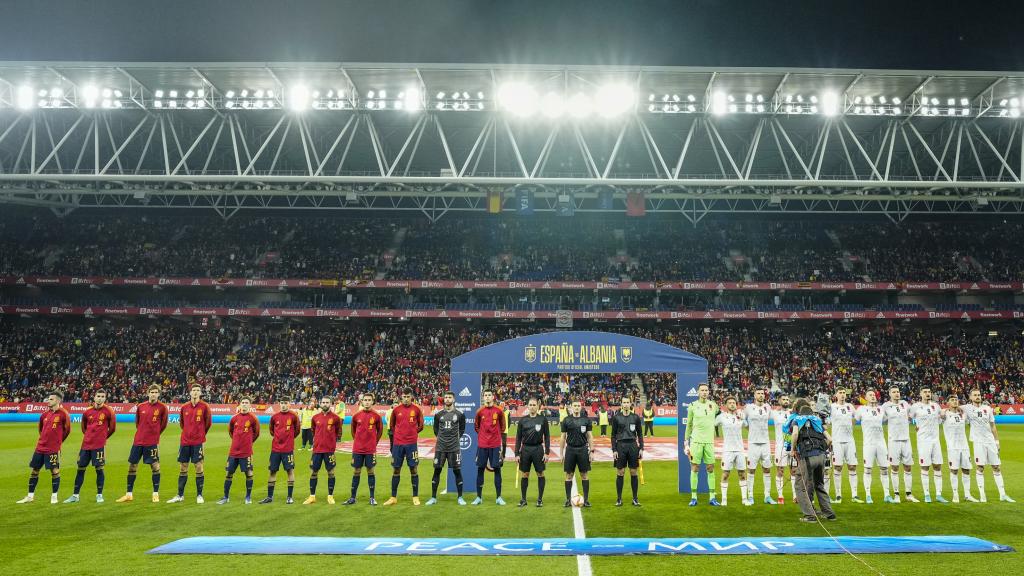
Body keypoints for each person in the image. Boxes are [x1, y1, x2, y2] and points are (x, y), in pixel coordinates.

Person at [16, 391, 71, 504]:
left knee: (54, 470)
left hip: (53, 449)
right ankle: (30, 496)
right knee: (34, 470)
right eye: (48, 399)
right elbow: (41, 429)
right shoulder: (44, 414)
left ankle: (54, 497)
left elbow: (67, 430)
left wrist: (57, 442)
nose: (48, 401)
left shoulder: (63, 414)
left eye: (51, 399)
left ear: (57, 400)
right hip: (40, 447)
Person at [117, 384, 168, 503]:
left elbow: (163, 425)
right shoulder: (141, 406)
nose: (153, 394)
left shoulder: (162, 408)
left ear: (159, 394)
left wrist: (154, 434)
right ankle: (129, 494)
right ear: (148, 393)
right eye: (152, 392)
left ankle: (155, 493)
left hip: (152, 442)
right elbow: (137, 423)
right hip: (138, 441)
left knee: (155, 466)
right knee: (132, 466)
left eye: (156, 392)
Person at [962, 389, 1014, 502]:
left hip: (990, 441)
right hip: (978, 442)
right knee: (980, 467)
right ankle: (982, 495)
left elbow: (993, 426)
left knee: (996, 467)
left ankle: (1003, 494)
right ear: (970, 397)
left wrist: (997, 442)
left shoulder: (987, 408)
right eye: (975, 395)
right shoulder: (967, 408)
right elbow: (953, 407)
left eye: (979, 395)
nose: (977, 397)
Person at [65, 389, 115, 504]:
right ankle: (75, 495)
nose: (100, 398)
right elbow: (84, 428)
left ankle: (99, 495)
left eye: (103, 396)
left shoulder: (109, 411)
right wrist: (89, 437)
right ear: (94, 397)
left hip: (99, 446)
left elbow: (112, 429)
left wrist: (102, 438)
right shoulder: (87, 412)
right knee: (80, 469)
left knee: (99, 469)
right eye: (98, 396)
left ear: (105, 398)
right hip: (85, 445)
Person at [790, 401, 836, 522]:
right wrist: (821, 449)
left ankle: (810, 516)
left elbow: (795, 434)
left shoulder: (797, 420)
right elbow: (830, 439)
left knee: (801, 486)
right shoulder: (817, 421)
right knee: (819, 484)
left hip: (807, 456)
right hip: (821, 456)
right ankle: (829, 513)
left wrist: (793, 449)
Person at [168, 384, 211, 504]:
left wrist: (200, 434)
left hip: (198, 442)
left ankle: (199, 495)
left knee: (198, 466)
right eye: (194, 390)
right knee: (183, 467)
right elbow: (182, 424)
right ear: (190, 393)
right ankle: (180, 495)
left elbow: (208, 424)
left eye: (198, 390)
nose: (196, 392)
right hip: (185, 442)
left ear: (201, 393)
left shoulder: (205, 407)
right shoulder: (184, 407)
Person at [384, 387, 425, 506]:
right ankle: (393, 497)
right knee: (396, 469)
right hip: (398, 444)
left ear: (411, 396)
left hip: (411, 444)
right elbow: (391, 426)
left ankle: (415, 496)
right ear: (401, 397)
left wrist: (412, 433)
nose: (406, 399)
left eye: (408, 397)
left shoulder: (417, 409)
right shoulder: (396, 410)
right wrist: (399, 435)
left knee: (413, 469)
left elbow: (421, 425)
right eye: (404, 397)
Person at [218, 396, 260, 504]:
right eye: (243, 402)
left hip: (246, 452)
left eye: (246, 402)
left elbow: (256, 433)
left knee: (249, 473)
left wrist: (248, 442)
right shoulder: (234, 418)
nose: (244, 404)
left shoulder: (253, 419)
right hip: (233, 452)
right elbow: (231, 432)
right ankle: (226, 497)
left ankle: (248, 497)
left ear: (250, 405)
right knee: (229, 473)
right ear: (240, 404)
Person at [426, 391, 466, 506]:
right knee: (437, 471)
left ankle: (460, 497)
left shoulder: (460, 414)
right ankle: (433, 497)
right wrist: (442, 439)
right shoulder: (438, 414)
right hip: (440, 448)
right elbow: (436, 430)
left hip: (454, 447)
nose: (447, 399)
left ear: (453, 399)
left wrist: (454, 438)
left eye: (450, 397)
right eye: (446, 397)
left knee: (457, 471)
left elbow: (462, 429)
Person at [909, 387, 947, 503]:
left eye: (929, 392)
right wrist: (916, 425)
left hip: (935, 440)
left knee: (937, 466)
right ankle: (927, 494)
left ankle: (939, 494)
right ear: (920, 394)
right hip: (923, 441)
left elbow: (941, 419)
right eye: (925, 392)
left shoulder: (935, 406)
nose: (927, 394)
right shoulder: (915, 406)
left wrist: (943, 415)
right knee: (925, 467)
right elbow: (909, 419)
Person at [345, 392, 384, 505]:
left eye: (369, 400)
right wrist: (358, 441)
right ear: (362, 401)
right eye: (365, 400)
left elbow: (380, 431)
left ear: (372, 401)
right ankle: (352, 497)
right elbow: (353, 431)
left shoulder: (376, 416)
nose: (367, 402)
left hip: (370, 449)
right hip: (358, 449)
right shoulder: (356, 416)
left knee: (370, 470)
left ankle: (372, 497)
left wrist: (373, 443)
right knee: (356, 471)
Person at [259, 398, 300, 504]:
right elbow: (272, 431)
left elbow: (297, 430)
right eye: (282, 403)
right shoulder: (274, 417)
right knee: (272, 471)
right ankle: (269, 497)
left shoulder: (294, 416)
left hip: (288, 449)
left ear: (289, 404)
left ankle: (289, 497)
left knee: (290, 471)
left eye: (285, 403)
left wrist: (289, 439)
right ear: (279, 404)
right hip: (275, 449)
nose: (283, 405)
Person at [684, 383, 719, 506]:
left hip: (709, 442)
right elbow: (688, 424)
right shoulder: (692, 406)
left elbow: (720, 417)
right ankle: (693, 497)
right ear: (698, 392)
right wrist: (685, 442)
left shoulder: (714, 405)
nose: (704, 392)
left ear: (709, 392)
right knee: (695, 468)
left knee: (710, 469)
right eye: (702, 390)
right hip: (696, 442)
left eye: (706, 390)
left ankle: (712, 497)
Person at [855, 391, 893, 504]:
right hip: (868, 444)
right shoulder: (861, 410)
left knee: (885, 469)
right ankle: (868, 495)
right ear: (865, 398)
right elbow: (854, 420)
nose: (873, 396)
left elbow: (886, 419)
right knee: (867, 469)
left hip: (881, 443)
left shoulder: (881, 409)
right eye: (870, 395)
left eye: (874, 395)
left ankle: (887, 495)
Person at [303, 397, 342, 505]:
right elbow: (313, 430)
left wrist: (331, 442)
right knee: (313, 472)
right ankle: (312, 496)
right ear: (320, 403)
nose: (325, 404)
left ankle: (330, 496)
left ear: (331, 404)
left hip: (329, 450)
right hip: (317, 450)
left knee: (331, 472)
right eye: (323, 402)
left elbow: (338, 433)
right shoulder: (315, 418)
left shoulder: (336, 418)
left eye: (327, 402)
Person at [882, 386, 918, 502]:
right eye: (894, 392)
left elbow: (914, 414)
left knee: (908, 467)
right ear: (890, 394)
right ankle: (896, 494)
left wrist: (916, 423)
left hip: (906, 440)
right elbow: (880, 419)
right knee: (895, 467)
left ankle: (909, 494)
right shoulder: (885, 406)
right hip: (893, 441)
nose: (897, 393)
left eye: (897, 392)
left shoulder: (905, 404)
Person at [473, 389, 507, 505]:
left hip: (495, 445)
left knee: (497, 469)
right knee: (480, 469)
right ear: (483, 397)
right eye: (485, 395)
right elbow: (476, 427)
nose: (487, 397)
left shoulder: (499, 411)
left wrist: (494, 437)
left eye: (489, 395)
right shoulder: (479, 411)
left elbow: (502, 427)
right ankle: (478, 497)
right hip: (482, 445)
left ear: (493, 397)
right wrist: (484, 436)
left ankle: (498, 497)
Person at [515, 397, 551, 507]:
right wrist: (517, 453)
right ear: (527, 406)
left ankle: (540, 499)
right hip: (525, 450)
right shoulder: (522, 420)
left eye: (534, 405)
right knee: (525, 474)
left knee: (540, 473)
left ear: (538, 406)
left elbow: (547, 436)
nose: (532, 407)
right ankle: (523, 499)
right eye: (530, 405)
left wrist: (547, 452)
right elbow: (518, 438)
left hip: (538, 449)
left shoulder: (542, 419)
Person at [743, 388, 775, 505]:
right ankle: (750, 496)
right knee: (751, 470)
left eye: (762, 393)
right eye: (758, 393)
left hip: (765, 443)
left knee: (767, 469)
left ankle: (767, 496)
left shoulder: (768, 407)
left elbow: (774, 419)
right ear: (754, 395)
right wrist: (748, 428)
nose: (761, 395)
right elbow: (742, 419)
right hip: (753, 443)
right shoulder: (748, 407)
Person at [611, 395, 644, 507]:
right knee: (620, 472)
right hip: (620, 446)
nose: (625, 404)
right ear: (621, 404)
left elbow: (640, 434)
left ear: (630, 404)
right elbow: (613, 435)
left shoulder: (635, 418)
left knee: (633, 472)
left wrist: (641, 448)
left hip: (633, 446)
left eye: (627, 402)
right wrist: (614, 449)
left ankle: (635, 498)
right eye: (624, 402)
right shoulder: (616, 418)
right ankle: (619, 499)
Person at [560, 398, 594, 507]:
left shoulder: (586, 420)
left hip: (583, 449)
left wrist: (592, 451)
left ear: (581, 407)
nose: (576, 407)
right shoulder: (566, 420)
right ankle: (568, 500)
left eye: (578, 405)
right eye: (574, 406)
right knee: (569, 475)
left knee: (584, 474)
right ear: (571, 407)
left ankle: (587, 500)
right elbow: (563, 437)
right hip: (570, 449)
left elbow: (589, 436)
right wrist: (561, 453)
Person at [942, 395, 977, 503]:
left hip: (964, 446)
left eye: (956, 399)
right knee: (954, 470)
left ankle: (967, 494)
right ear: (948, 402)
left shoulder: (963, 414)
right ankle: (955, 494)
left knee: (966, 470)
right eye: (952, 400)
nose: (955, 401)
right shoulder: (944, 414)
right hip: (952, 447)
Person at [717, 396, 749, 506]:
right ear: (726, 405)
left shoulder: (740, 416)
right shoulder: (721, 417)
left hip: (740, 450)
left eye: (734, 402)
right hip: (727, 450)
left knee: (742, 474)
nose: (732, 404)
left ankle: (744, 499)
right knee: (725, 474)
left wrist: (743, 418)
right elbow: (713, 424)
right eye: (729, 403)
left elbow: (748, 428)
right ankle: (724, 499)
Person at [829, 388, 860, 503]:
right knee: (838, 467)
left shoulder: (850, 407)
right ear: (836, 395)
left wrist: (850, 429)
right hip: (837, 441)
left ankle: (855, 495)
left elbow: (855, 419)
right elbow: (827, 421)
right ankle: (838, 495)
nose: (842, 395)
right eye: (840, 393)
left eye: (844, 393)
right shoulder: (832, 407)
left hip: (849, 441)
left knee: (852, 466)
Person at [771, 394, 795, 504]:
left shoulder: (793, 413)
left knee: (794, 471)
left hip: (792, 445)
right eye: (783, 399)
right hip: (780, 446)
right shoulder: (774, 413)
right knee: (780, 470)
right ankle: (780, 496)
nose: (786, 401)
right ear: (779, 401)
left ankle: (795, 495)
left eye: (787, 399)